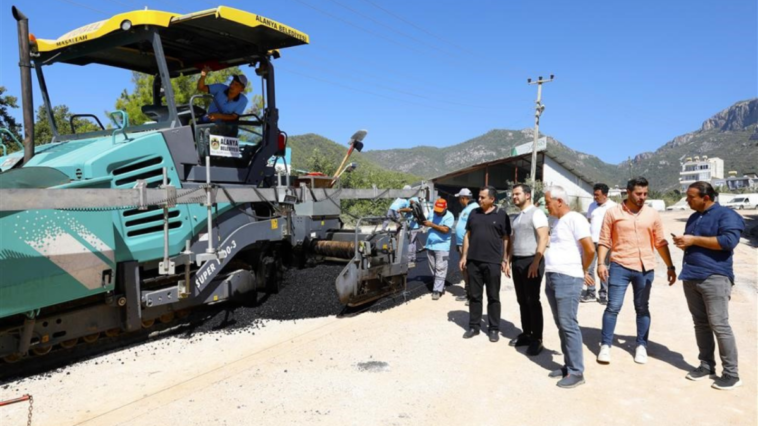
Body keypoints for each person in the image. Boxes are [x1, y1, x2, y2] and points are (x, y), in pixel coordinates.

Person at [597, 177, 676, 365]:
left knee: (642, 308)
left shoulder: (652, 214)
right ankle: (605, 345)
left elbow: (660, 242)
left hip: (645, 268)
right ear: (628, 192)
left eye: (645, 194)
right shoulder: (612, 213)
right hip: (619, 266)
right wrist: (601, 263)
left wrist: (670, 266)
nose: (642, 197)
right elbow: (604, 240)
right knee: (613, 307)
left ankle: (641, 345)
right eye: (638, 194)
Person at [674, 182, 745, 390]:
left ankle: (731, 374)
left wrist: (694, 239)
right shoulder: (694, 217)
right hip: (691, 276)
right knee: (701, 324)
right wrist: (685, 243)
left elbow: (728, 241)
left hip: (715, 277)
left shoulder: (726, 215)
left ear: (705, 197)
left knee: (720, 325)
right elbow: (696, 243)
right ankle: (706, 365)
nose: (687, 200)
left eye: (691, 197)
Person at [543, 186, 595, 389]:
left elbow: (590, 249)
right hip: (553, 276)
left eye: (547, 201)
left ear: (559, 201)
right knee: (561, 324)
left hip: (568, 277)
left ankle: (576, 371)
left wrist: (582, 270)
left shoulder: (576, 219)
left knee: (568, 324)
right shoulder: (557, 222)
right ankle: (568, 365)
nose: (546, 205)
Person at [458, 186, 511, 343]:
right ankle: (474, 326)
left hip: (493, 262)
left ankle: (494, 328)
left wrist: (505, 259)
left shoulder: (501, 215)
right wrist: (464, 256)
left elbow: (507, 238)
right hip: (474, 261)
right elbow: (468, 235)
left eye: (482, 197)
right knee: (474, 296)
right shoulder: (474, 213)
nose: (479, 200)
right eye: (479, 197)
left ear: (492, 199)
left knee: (493, 296)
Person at [506, 184, 549, 356]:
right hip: (517, 261)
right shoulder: (517, 217)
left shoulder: (537, 213)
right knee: (522, 300)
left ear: (528, 195)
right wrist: (507, 260)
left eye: (517, 194)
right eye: (513, 194)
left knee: (533, 300)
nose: (514, 197)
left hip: (532, 260)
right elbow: (513, 240)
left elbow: (543, 237)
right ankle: (526, 333)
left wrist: (536, 261)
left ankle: (537, 339)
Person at [582, 183, 617, 304]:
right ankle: (591, 292)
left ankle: (603, 294)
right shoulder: (592, 206)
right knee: (590, 268)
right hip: (592, 242)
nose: (594, 197)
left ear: (605, 195)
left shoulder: (614, 207)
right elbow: (589, 221)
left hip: (606, 243)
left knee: (604, 268)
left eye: (597, 195)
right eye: (594, 194)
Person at [197, 67, 249, 137]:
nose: (232, 86)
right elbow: (201, 88)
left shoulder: (243, 100)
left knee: (227, 128)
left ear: (242, 90)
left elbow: (234, 117)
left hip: (225, 127)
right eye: (232, 82)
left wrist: (218, 116)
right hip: (209, 120)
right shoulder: (220, 88)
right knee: (195, 126)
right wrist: (203, 76)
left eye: (236, 85)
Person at [423, 199, 455, 300]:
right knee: (433, 267)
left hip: (442, 246)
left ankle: (437, 290)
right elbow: (426, 222)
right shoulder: (432, 212)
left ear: (445, 208)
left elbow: (445, 230)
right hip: (430, 245)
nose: (437, 212)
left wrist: (431, 224)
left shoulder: (449, 216)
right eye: (436, 209)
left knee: (440, 268)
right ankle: (440, 286)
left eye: (439, 210)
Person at [454, 188, 479, 305]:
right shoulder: (467, 208)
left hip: (467, 245)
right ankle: (468, 292)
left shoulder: (473, 208)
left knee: (469, 270)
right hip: (461, 244)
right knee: (465, 269)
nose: (459, 200)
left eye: (459, 198)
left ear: (464, 198)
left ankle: (472, 295)